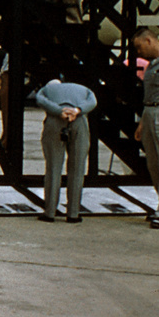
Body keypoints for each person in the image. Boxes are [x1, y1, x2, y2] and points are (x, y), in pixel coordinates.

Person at [35, 79, 96, 223]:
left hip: (55, 121)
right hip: (79, 120)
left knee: (53, 168)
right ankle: (73, 214)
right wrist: (77, 110)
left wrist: (58, 110)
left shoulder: (47, 89)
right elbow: (93, 101)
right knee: (77, 168)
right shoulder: (83, 88)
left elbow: (39, 99)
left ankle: (50, 212)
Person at [133, 28, 159, 229]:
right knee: (153, 163)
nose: (138, 52)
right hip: (150, 112)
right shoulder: (152, 66)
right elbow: (149, 97)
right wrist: (143, 122)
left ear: (149, 40)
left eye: (139, 46)